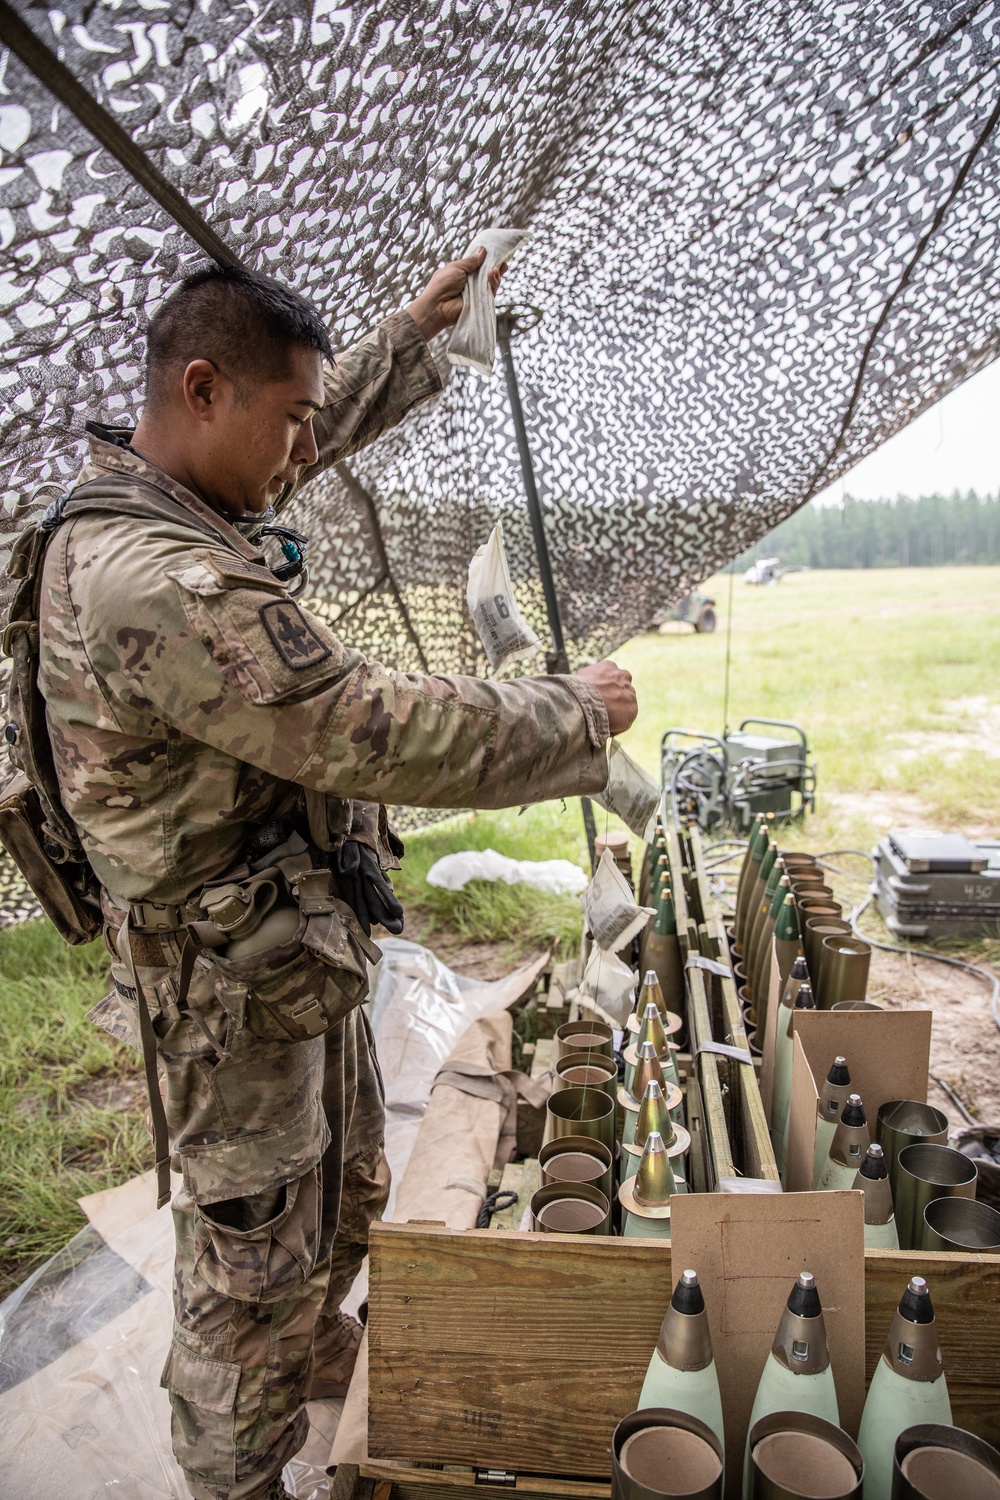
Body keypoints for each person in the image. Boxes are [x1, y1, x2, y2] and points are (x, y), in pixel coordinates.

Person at [35, 249, 637, 1500]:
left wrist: (409, 340)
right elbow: (363, 724)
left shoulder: (178, 496)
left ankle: (316, 1356)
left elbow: (293, 418)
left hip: (284, 953)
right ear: (202, 389)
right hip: (229, 997)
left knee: (346, 1182)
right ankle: (239, 1475)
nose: (306, 451)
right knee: (248, 1271)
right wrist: (565, 713)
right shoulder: (156, 579)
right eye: (291, 420)